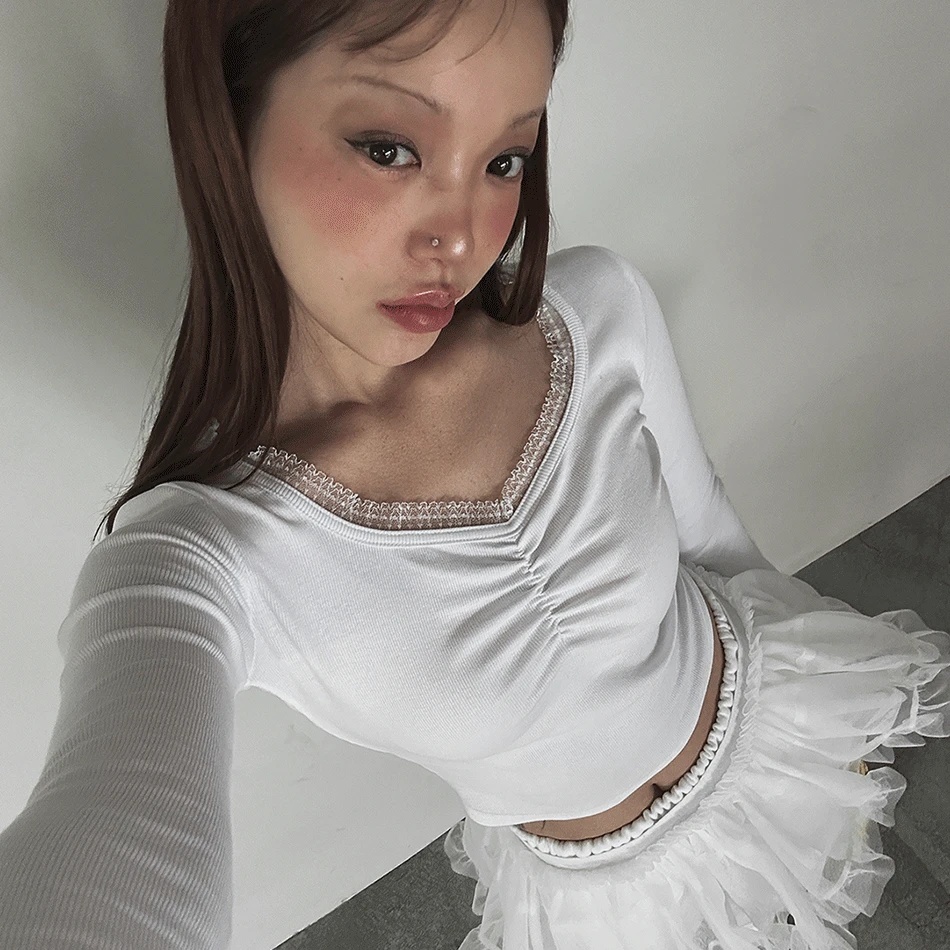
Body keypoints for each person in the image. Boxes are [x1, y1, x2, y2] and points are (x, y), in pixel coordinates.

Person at [1, 0, 948, 947]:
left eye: (505, 160)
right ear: (227, 121)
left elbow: (709, 528)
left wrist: (825, 685)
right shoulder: (198, 558)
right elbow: (113, 845)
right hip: (614, 899)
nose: (461, 238)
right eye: (389, 148)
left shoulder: (597, 309)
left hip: (768, 717)